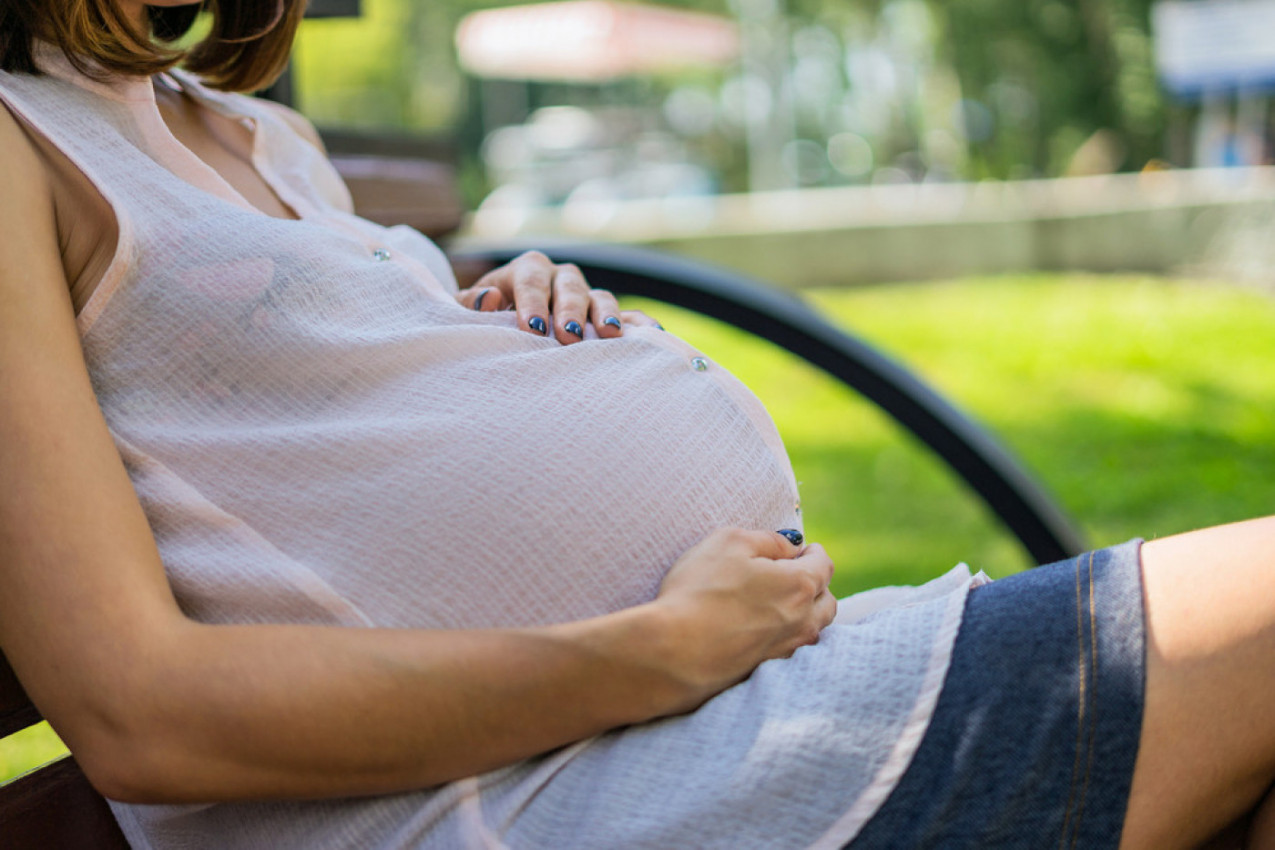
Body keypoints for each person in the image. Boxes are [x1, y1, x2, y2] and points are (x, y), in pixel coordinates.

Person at [1, 1, 1274, 847]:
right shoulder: (19, 146)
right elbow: (144, 708)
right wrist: (660, 650)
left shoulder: (253, 132)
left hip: (713, 723)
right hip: (562, 794)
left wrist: (481, 312)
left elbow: (300, 413)